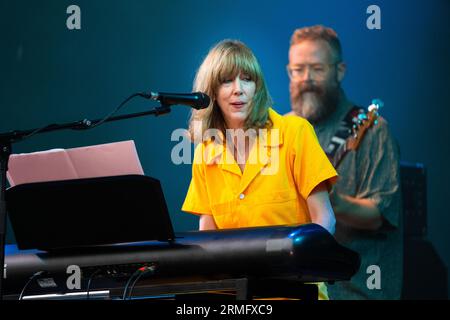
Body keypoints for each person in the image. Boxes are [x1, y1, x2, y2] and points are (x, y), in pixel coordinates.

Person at [181, 39, 338, 299]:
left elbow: (326, 220)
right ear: (211, 91)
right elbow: (207, 239)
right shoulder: (205, 153)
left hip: (295, 292)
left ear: (258, 87)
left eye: (247, 79)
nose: (238, 90)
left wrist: (297, 266)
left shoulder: (295, 132)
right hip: (236, 297)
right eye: (227, 81)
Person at [287, 25, 402, 300]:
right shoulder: (284, 130)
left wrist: (330, 201)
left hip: (354, 289)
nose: (306, 79)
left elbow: (378, 216)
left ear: (339, 71)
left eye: (317, 69)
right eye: (298, 70)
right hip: (297, 287)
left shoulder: (373, 130)